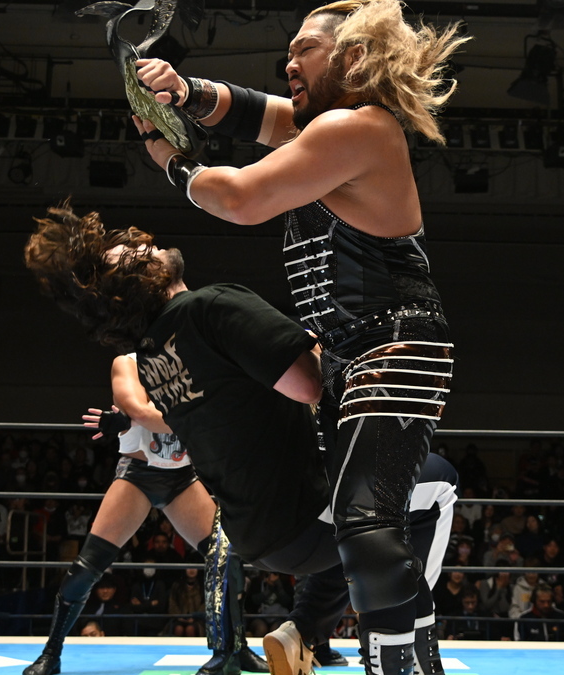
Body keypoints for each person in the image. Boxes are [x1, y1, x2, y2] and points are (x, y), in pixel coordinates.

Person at [128, 2, 467, 671]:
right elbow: (252, 114)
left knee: (366, 524)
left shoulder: (359, 126)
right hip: (347, 353)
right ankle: (409, 657)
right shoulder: (326, 128)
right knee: (364, 522)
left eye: (304, 48)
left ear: (353, 57)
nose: (288, 62)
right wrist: (182, 91)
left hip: (394, 343)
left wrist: (172, 161)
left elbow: (239, 198)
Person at [23, 205, 458, 675]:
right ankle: (407, 642)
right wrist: (339, 345)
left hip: (256, 536)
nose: (145, 241)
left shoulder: (152, 356)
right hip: (303, 518)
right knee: (434, 487)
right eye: (132, 250)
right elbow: (310, 386)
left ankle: (305, 627)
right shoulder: (212, 306)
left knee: (361, 518)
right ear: (135, 279)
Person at [21, 349, 269, 675]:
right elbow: (139, 409)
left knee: (226, 558)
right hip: (138, 476)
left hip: (182, 477)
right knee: (86, 567)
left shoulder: (197, 360)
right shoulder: (128, 363)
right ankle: (50, 654)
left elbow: (216, 406)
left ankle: (236, 648)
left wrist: (146, 418)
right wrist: (171, 416)